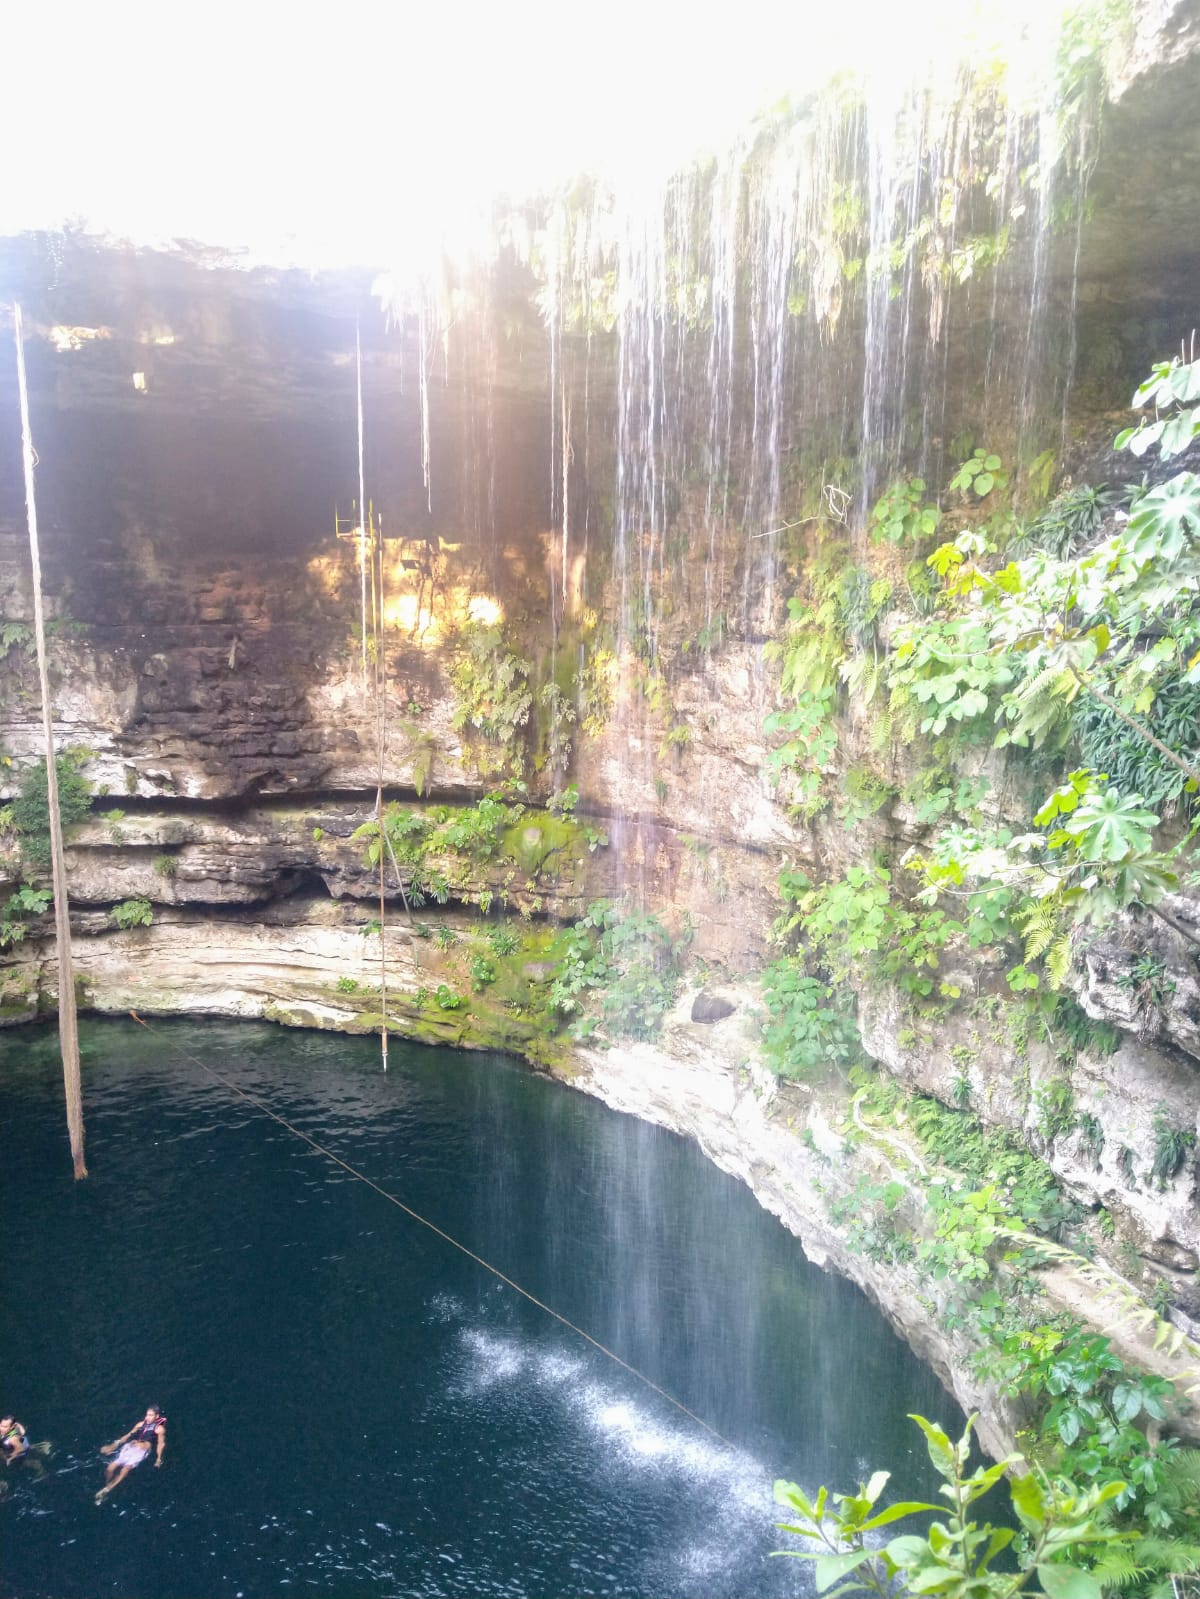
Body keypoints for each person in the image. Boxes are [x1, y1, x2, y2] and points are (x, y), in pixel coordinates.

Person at [96, 1406, 166, 1503]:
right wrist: (113, 1445)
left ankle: (109, 1489)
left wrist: (158, 1458)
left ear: (157, 1416)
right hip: (130, 1448)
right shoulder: (140, 1424)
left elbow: (160, 1444)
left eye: (151, 1415)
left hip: (141, 1452)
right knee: (110, 1468)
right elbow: (128, 1435)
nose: (148, 1417)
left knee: (126, 1468)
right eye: (147, 1415)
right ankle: (108, 1484)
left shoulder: (159, 1429)